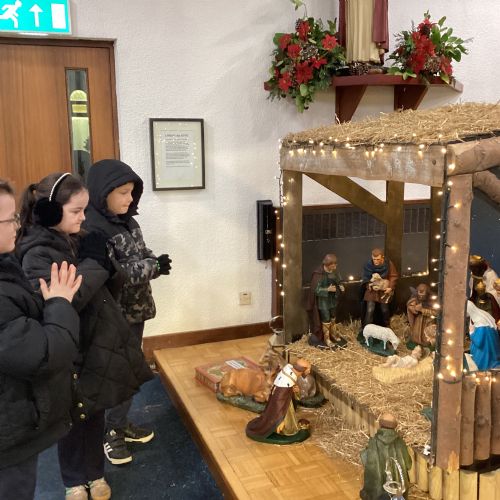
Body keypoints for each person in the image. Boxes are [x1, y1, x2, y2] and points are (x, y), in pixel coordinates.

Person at [16, 172, 153, 500]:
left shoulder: (79, 237)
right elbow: (66, 300)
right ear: (51, 212)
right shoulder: (36, 253)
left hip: (93, 342)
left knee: (94, 411)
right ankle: (74, 480)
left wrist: (108, 264)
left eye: (84, 210)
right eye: (76, 211)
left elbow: (107, 288)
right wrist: (95, 264)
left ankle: (95, 474)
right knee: (71, 418)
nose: (83, 217)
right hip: (66, 348)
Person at [83, 159, 172, 465]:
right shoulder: (93, 228)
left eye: (132, 192)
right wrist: (153, 266)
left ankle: (119, 422)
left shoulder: (129, 222)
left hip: (136, 310)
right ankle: (111, 434)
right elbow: (114, 272)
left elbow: (142, 254)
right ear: (103, 192)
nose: (129, 199)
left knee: (131, 369)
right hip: (113, 314)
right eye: (122, 193)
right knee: (116, 373)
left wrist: (154, 262)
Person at [0, 179, 81, 500]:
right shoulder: (33, 256)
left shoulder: (7, 265)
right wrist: (59, 302)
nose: (17, 226)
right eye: (9, 219)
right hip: (9, 433)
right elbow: (44, 354)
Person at [246, 359, 311, 444]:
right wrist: (280, 420)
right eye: (308, 369)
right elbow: (279, 403)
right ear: (302, 370)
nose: (309, 371)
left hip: (285, 403)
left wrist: (295, 391)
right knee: (288, 426)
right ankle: (283, 429)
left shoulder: (290, 372)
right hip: (283, 409)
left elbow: (288, 393)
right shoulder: (285, 383)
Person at [360, 413, 411, 500]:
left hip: (377, 494)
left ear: (380, 425)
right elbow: (409, 465)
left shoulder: (373, 442)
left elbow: (365, 460)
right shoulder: (401, 443)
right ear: (394, 427)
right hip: (398, 492)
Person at [306, 254, 346, 348]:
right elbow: (315, 290)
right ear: (327, 264)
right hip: (323, 302)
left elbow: (339, 280)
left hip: (332, 300)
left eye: (335, 264)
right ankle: (326, 339)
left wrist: (341, 286)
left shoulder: (334, 272)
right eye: (333, 265)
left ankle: (333, 334)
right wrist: (327, 289)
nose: (335, 267)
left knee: (333, 317)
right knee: (326, 319)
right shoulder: (318, 274)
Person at [361, 248, 398, 329]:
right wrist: (369, 285)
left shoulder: (388, 264)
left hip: (383, 290)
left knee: (385, 310)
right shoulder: (368, 265)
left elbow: (393, 276)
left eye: (378, 259)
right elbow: (365, 278)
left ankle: (387, 327)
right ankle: (366, 329)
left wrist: (390, 287)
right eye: (374, 259)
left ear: (382, 257)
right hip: (372, 291)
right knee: (370, 310)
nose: (376, 261)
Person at [466, 300, 500, 370]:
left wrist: (471, 332)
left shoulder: (481, 323)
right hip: (489, 351)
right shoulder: (483, 317)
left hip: (483, 355)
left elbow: (478, 342)